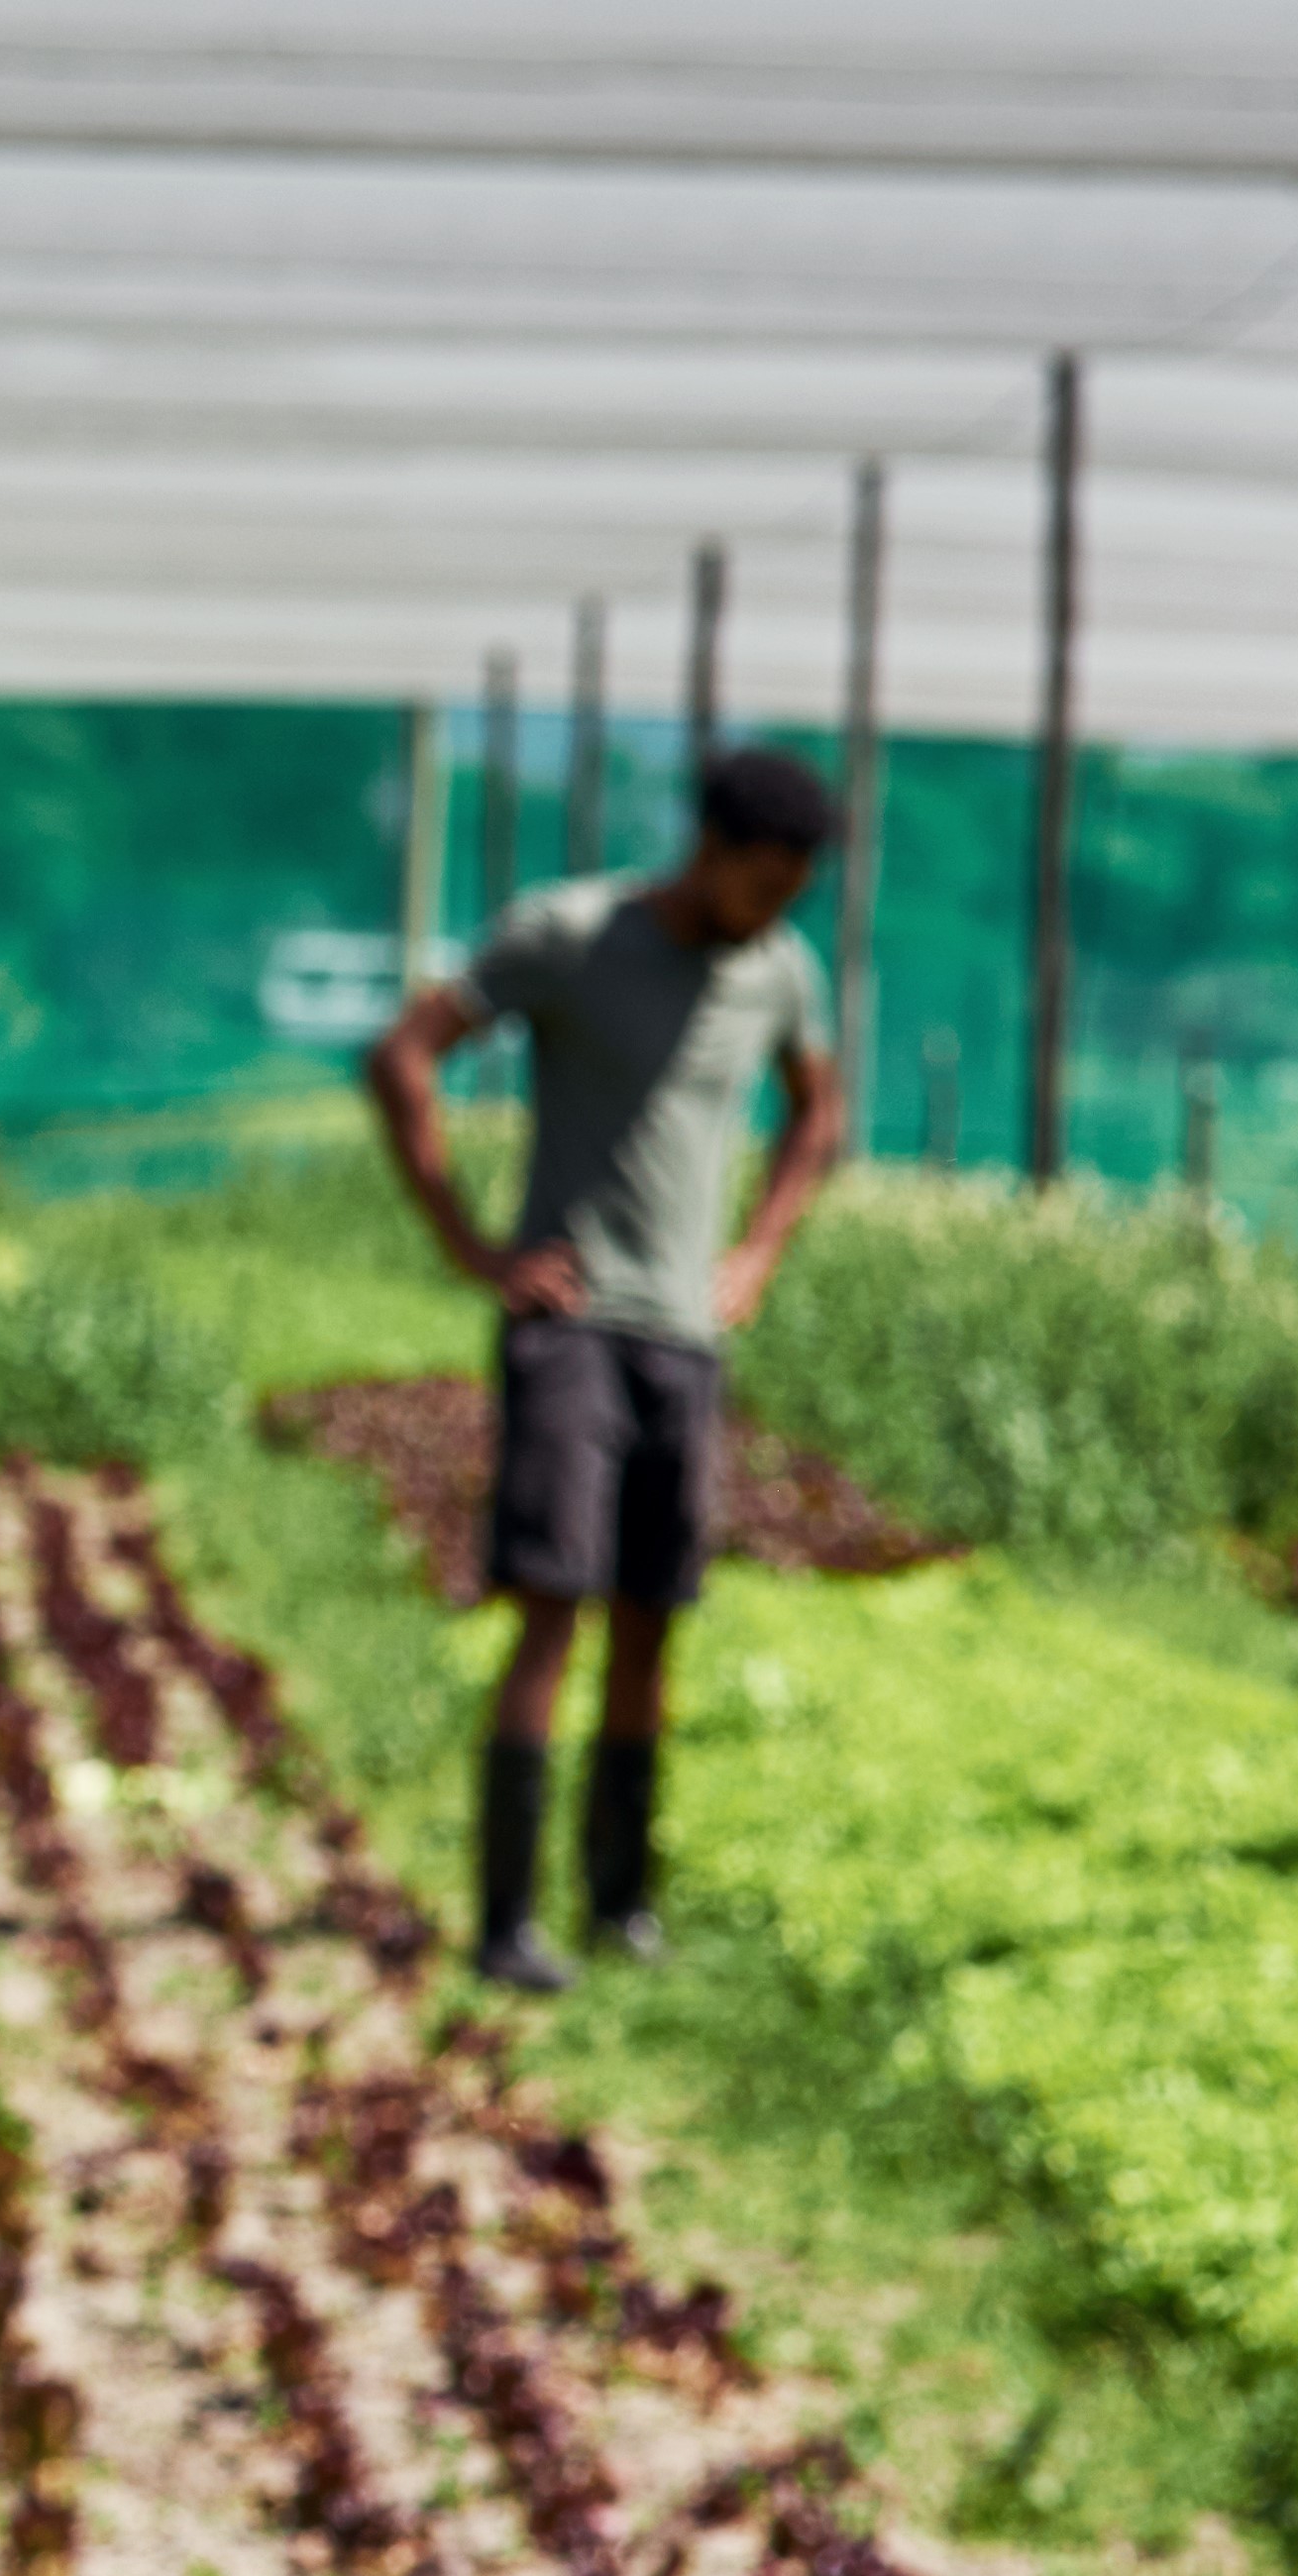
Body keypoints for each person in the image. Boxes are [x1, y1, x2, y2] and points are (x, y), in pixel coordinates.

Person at [360, 745, 846, 1989]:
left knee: (651, 1621)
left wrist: (756, 1256)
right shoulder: (567, 934)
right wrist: (470, 1244)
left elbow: (817, 1114)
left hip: (683, 1338)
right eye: (761, 884)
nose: (771, 912)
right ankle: (506, 1920)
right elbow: (403, 1052)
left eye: (793, 893)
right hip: (570, 1325)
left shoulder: (777, 971)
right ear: (710, 849)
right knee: (551, 1613)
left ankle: (620, 1906)